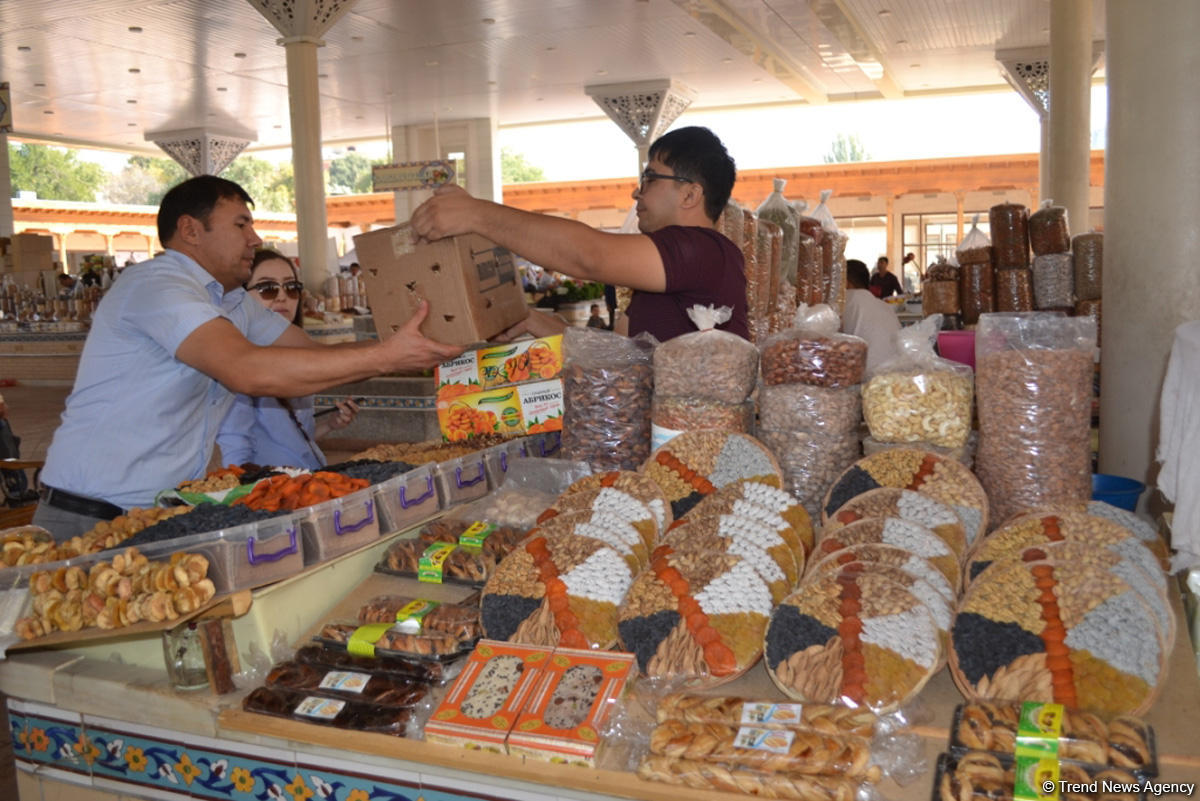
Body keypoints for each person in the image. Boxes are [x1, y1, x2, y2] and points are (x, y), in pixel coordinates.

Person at [33, 175, 462, 540]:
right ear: (190, 230)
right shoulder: (158, 286)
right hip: (86, 514)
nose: (255, 240)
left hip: (155, 511)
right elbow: (247, 370)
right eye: (241, 225)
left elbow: (313, 356)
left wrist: (416, 343)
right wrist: (386, 357)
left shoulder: (232, 301)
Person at [410, 126, 748, 343]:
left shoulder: (704, 252)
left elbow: (589, 256)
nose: (637, 193)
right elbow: (623, 358)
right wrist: (536, 322)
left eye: (650, 179)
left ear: (690, 195)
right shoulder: (670, 269)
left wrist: (477, 214)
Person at [216, 250, 360, 470]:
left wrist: (330, 424)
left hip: (306, 485)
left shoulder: (296, 354)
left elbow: (298, 438)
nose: (282, 296)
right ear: (240, 298)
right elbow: (233, 456)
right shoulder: (236, 363)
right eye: (268, 288)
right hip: (268, 495)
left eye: (291, 288)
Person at [843, 259, 901, 372]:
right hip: (896, 375)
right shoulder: (884, 305)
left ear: (845, 282)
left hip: (867, 377)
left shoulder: (846, 300)